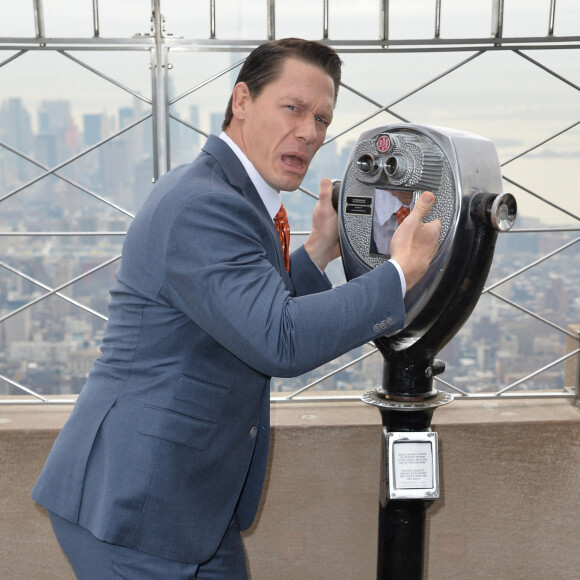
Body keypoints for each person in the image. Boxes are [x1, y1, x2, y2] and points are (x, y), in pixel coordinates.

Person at [31, 38, 441, 579]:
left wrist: (319, 248)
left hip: (191, 501)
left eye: (321, 118)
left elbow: (243, 311)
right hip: (135, 506)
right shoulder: (207, 204)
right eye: (292, 108)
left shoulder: (236, 197)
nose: (310, 132)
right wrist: (398, 274)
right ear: (241, 100)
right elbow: (279, 339)